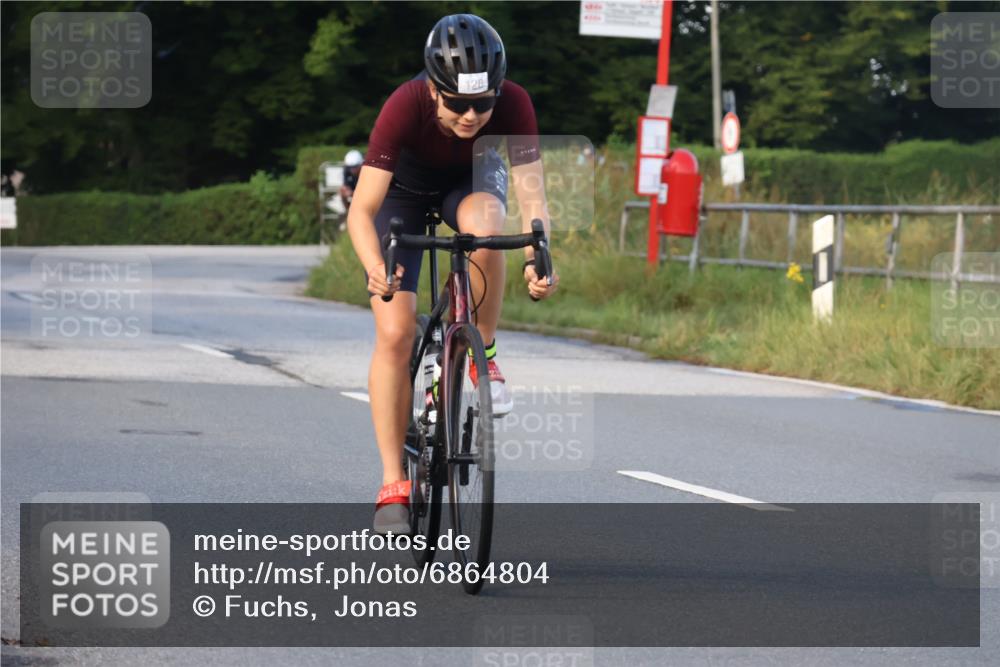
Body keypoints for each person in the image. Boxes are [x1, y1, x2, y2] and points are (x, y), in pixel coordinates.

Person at [346, 14, 560, 534]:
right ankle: (393, 481)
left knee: (488, 225)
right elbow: (361, 209)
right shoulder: (404, 105)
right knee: (395, 333)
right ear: (432, 89)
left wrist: (540, 255)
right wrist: (376, 268)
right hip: (401, 197)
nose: (471, 116)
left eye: (482, 104)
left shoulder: (514, 103)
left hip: (469, 185)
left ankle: (480, 350)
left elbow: (533, 197)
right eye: (458, 104)